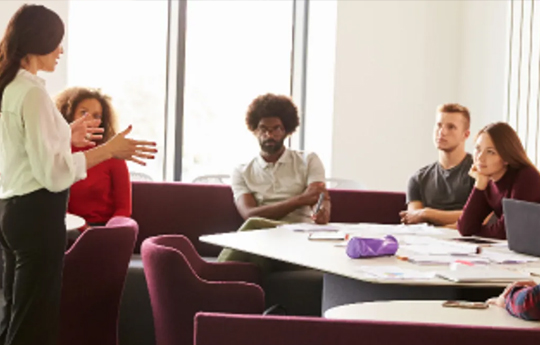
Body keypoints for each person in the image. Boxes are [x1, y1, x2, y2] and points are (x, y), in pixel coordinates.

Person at [0, 5, 156, 345]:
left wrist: (64, 134)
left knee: (15, 313)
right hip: (37, 214)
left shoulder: (10, 86)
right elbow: (53, 174)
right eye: (57, 41)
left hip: (11, 212)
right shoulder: (33, 93)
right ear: (39, 40)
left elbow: (24, 150)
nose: (61, 50)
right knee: (33, 322)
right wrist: (107, 150)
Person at [217, 93, 330, 271]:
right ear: (254, 130)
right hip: (264, 240)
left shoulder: (308, 160)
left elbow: (319, 197)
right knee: (257, 241)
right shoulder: (242, 171)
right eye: (263, 129)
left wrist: (323, 211)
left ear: (286, 130)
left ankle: (212, 275)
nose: (269, 134)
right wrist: (300, 200)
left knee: (255, 229)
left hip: (300, 236)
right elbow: (249, 214)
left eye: (276, 128)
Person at [56, 87, 131, 227]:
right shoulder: (58, 152)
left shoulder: (112, 153)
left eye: (96, 116)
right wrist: (83, 229)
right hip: (67, 228)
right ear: (69, 115)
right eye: (83, 113)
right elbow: (55, 205)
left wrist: (108, 233)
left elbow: (124, 208)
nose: (89, 119)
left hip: (104, 230)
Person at [457, 122, 540, 239]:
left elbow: (505, 231)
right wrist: (479, 185)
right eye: (478, 149)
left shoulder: (526, 177)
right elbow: (465, 228)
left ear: (506, 158)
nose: (480, 157)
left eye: (490, 152)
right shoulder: (488, 180)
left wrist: (477, 231)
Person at [400, 103, 474, 227]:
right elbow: (413, 219)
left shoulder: (478, 172)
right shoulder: (418, 178)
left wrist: (427, 213)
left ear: (465, 135)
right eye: (439, 125)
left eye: (451, 127)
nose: (442, 132)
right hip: (428, 242)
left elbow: (476, 216)